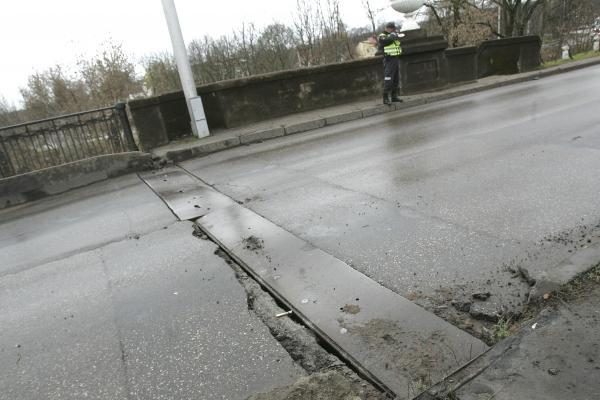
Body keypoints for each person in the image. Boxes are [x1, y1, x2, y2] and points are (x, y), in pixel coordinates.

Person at [378, 22, 403, 105]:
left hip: (395, 58)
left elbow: (397, 43)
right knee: (388, 79)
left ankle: (394, 97)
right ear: (387, 28)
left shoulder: (393, 34)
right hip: (388, 59)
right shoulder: (382, 35)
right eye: (392, 29)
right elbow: (386, 41)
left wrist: (397, 35)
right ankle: (385, 98)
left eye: (393, 29)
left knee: (396, 79)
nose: (393, 30)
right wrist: (393, 35)